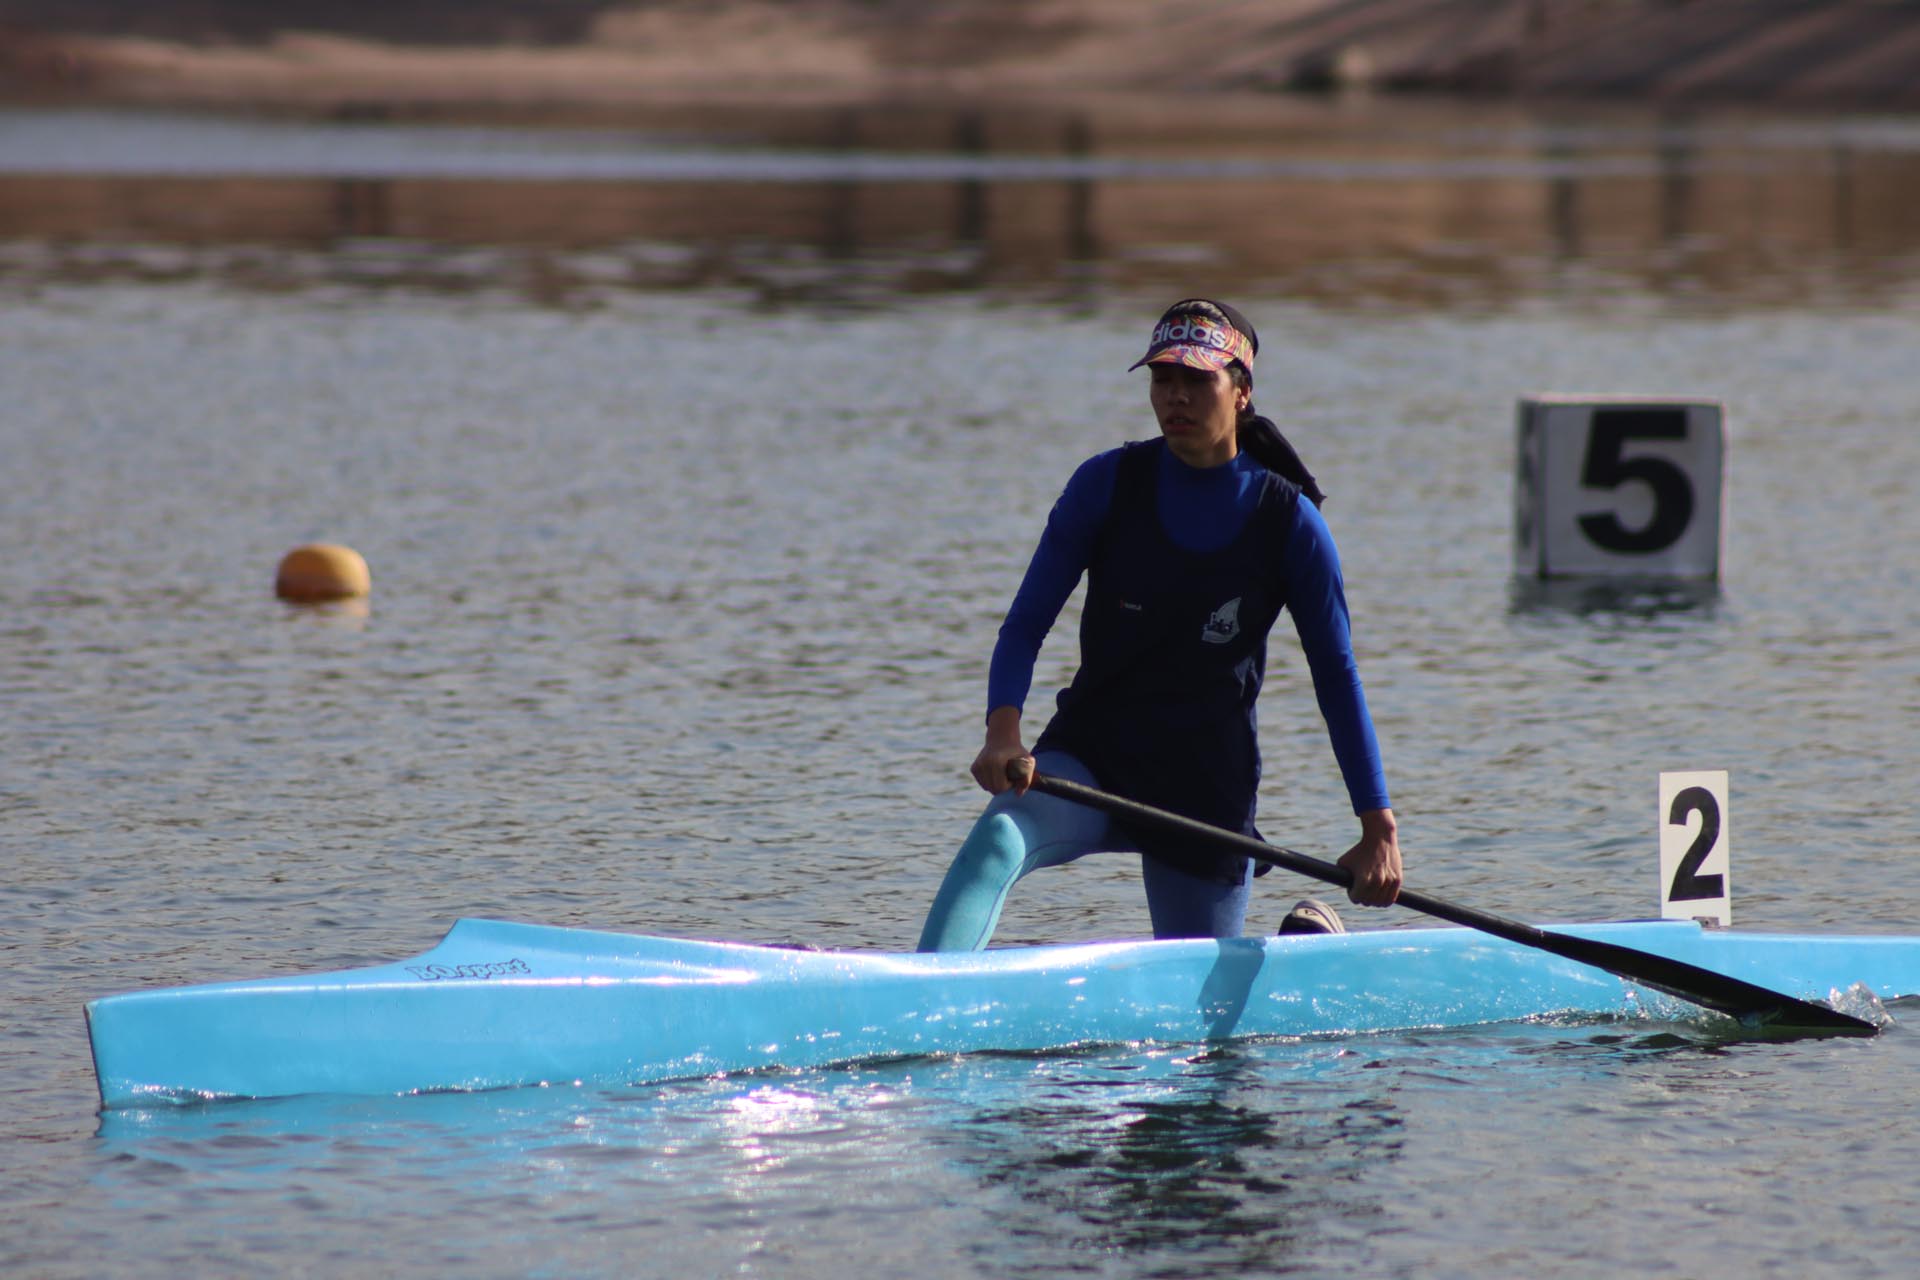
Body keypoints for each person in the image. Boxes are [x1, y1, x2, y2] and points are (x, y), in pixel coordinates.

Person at [916, 299, 1402, 951]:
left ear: (1241, 391)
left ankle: (1305, 942)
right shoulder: (1105, 485)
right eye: (1163, 378)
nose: (1176, 395)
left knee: (1198, 1001)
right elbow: (1026, 623)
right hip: (1091, 756)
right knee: (999, 836)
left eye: (1197, 379)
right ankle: (926, 991)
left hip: (1205, 788)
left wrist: (1377, 829)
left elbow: (1337, 679)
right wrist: (1002, 733)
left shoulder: (1290, 524)